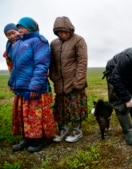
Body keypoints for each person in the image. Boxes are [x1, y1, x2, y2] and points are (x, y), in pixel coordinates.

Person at [7, 17, 58, 152]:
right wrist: (12, 82)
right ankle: (28, 138)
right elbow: (16, 66)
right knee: (25, 115)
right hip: (21, 87)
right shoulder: (18, 44)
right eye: (18, 28)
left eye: (22, 27)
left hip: (35, 87)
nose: (19, 31)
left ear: (31, 27)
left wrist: (35, 86)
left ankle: (41, 139)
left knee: (36, 115)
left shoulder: (39, 41)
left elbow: (41, 65)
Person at [49, 16, 88, 143]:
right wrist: (53, 76)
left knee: (75, 107)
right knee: (60, 108)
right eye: (59, 32)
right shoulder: (54, 43)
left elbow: (82, 62)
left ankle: (77, 131)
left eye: (64, 31)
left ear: (70, 30)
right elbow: (52, 63)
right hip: (60, 82)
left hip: (74, 81)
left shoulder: (79, 40)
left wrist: (78, 81)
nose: (62, 34)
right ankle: (63, 129)